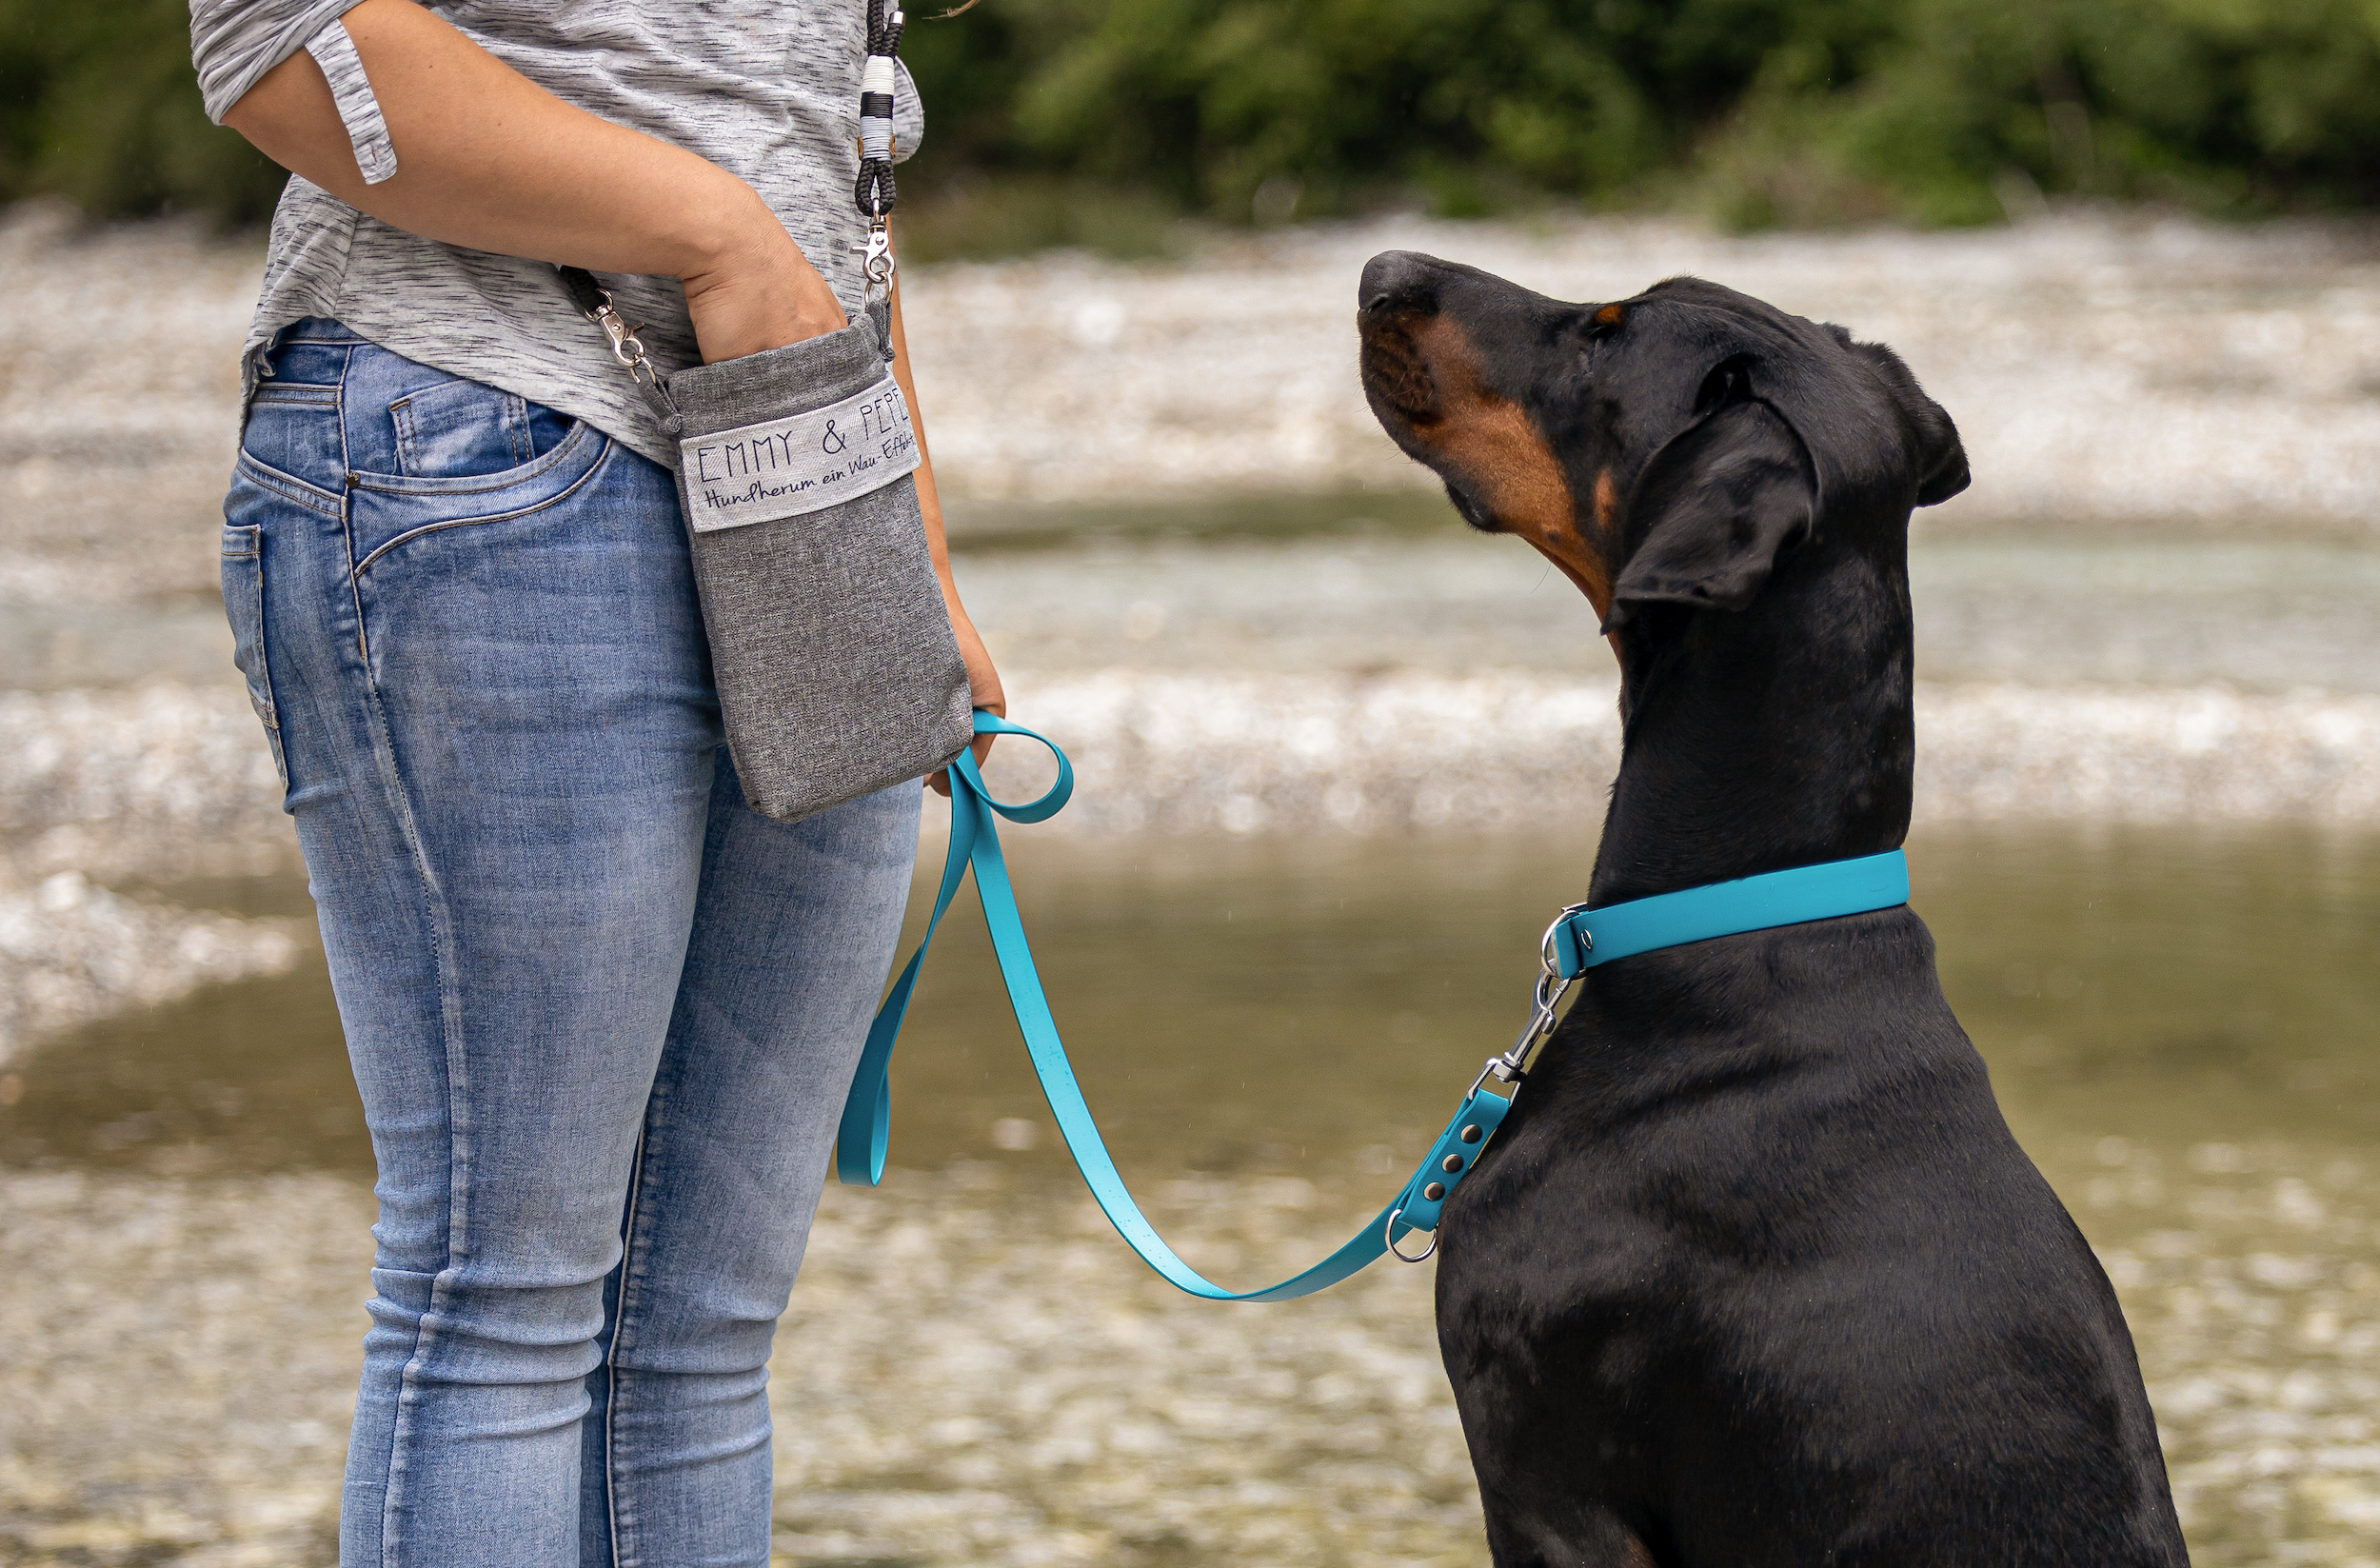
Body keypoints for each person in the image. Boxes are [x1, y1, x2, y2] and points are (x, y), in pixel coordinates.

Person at [187, 4, 1002, 1563]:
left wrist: (911, 529)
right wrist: (716, 239)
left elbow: (823, 145)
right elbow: (272, 39)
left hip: (807, 465)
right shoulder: (689, 266)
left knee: (702, 1341)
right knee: (504, 1294)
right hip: (483, 433)